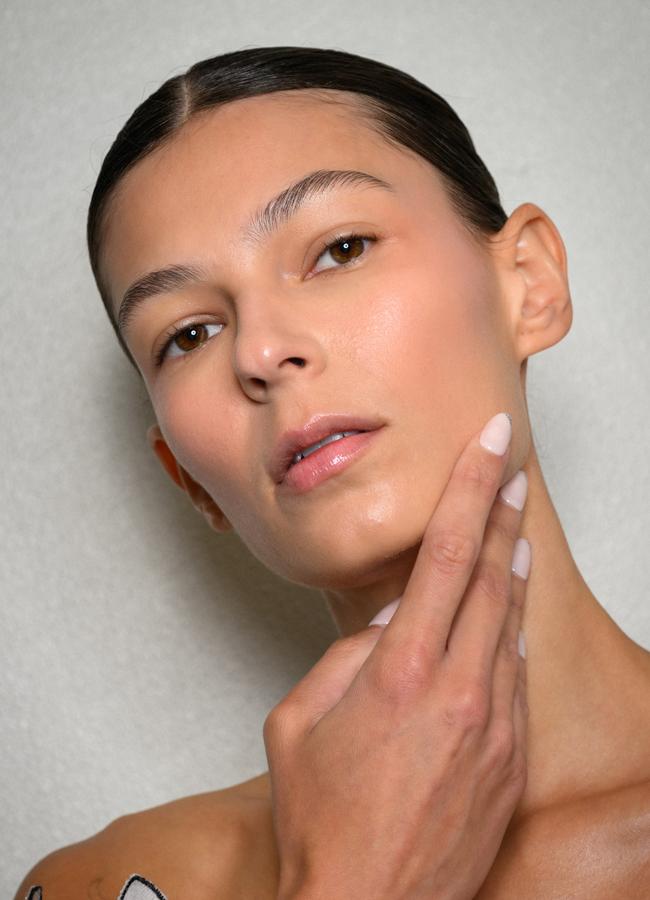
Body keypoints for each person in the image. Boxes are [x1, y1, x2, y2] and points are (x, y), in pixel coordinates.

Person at [14, 46, 650, 899]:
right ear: (188, 477)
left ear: (529, 284)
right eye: (189, 334)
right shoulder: (123, 881)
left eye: (340, 248)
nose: (262, 351)